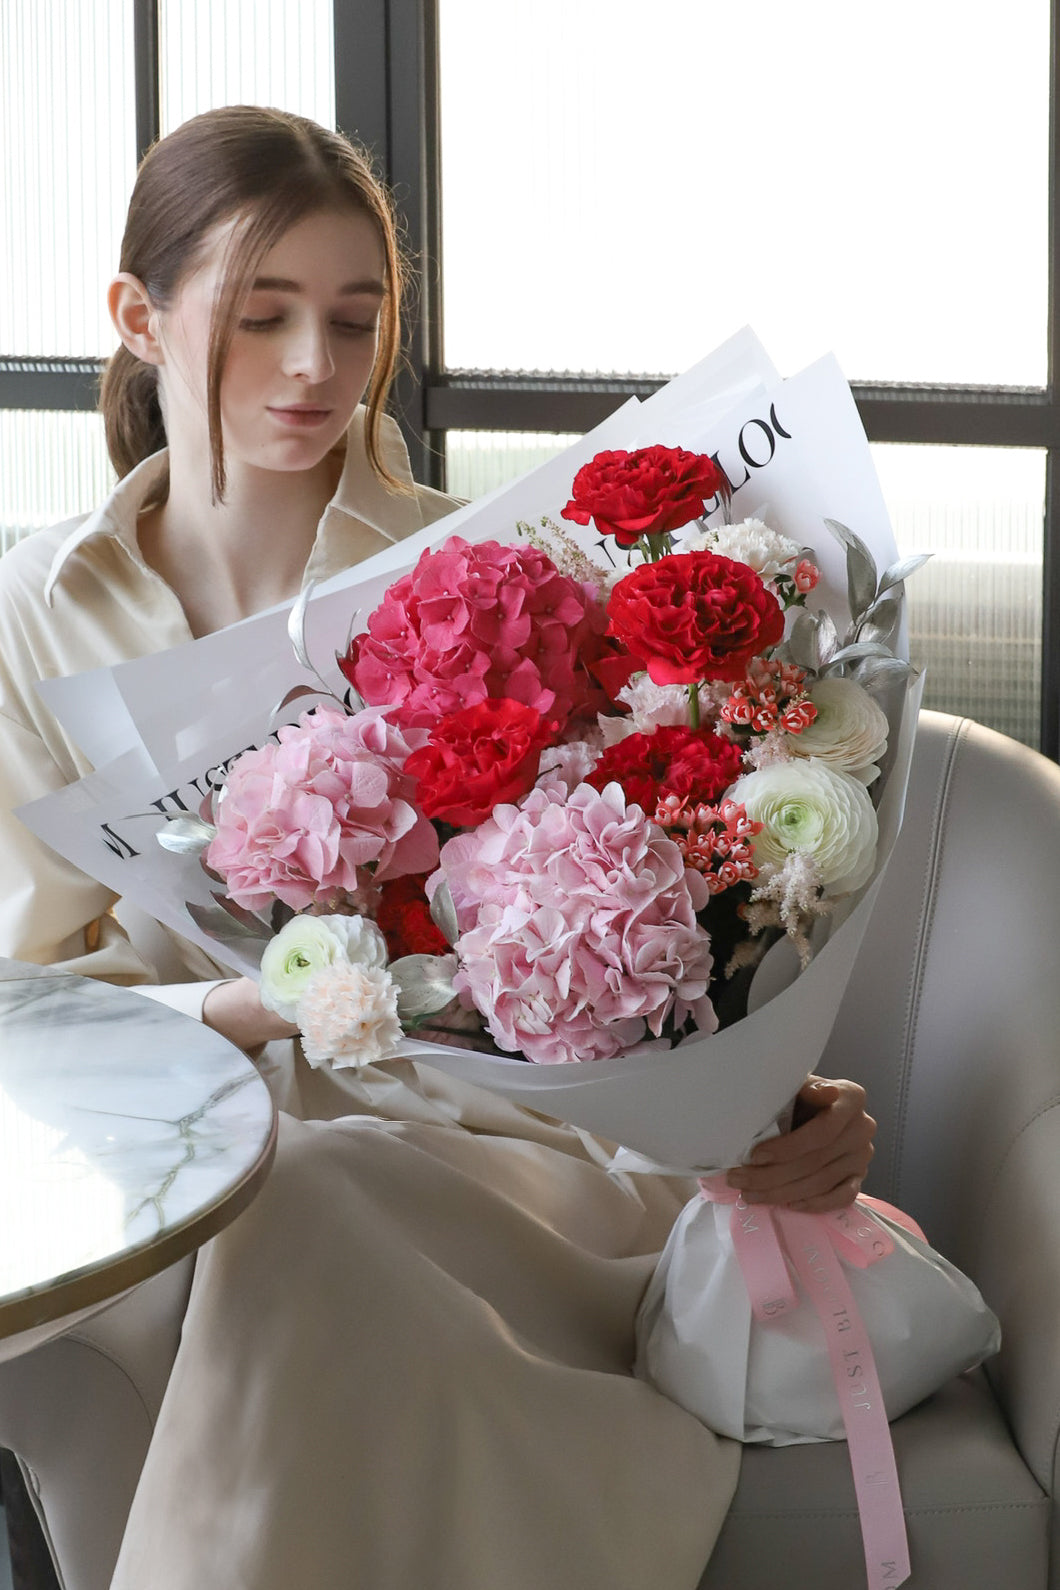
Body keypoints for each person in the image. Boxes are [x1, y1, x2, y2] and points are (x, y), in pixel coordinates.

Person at [0, 106, 876, 1589]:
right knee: (283, 1198)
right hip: (181, 1162)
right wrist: (255, 1003)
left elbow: (641, 908)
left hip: (504, 1162)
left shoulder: (486, 569)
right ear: (138, 320)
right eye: (263, 315)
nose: (315, 369)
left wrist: (767, 1079)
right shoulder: (35, 612)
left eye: (354, 320)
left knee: (306, 1196)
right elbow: (26, 1008)